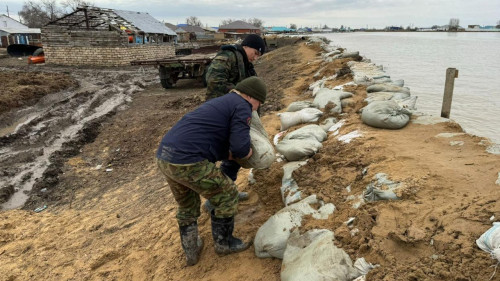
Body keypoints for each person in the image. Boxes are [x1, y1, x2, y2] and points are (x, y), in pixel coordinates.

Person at [156, 77, 267, 266]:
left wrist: (229, 154)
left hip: (165, 157)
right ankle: (224, 243)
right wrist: (248, 153)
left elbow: (213, 138)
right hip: (189, 161)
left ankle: (191, 250)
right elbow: (240, 148)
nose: (256, 109)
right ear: (250, 97)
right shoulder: (242, 106)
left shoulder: (223, 102)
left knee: (187, 204)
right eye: (258, 103)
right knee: (227, 194)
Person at [204, 34, 266, 194]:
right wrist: (239, 97)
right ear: (247, 46)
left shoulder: (245, 64)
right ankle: (219, 195)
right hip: (222, 115)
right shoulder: (227, 57)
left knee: (235, 155)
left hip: (233, 115)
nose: (256, 58)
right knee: (230, 153)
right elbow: (213, 81)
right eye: (256, 53)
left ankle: (225, 190)